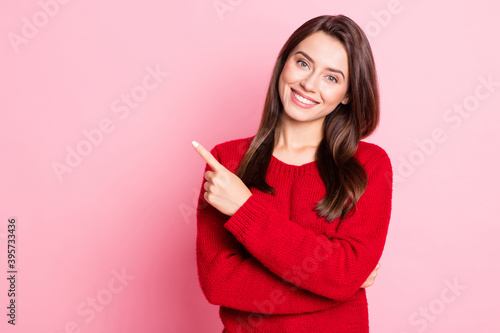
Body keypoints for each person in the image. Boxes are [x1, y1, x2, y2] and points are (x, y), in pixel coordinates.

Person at [192, 14, 393, 333]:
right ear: (283, 63)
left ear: (348, 95)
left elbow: (344, 273)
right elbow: (219, 283)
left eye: (332, 78)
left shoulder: (369, 164)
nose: (309, 84)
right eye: (303, 63)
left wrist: (246, 210)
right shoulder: (227, 161)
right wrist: (338, 287)